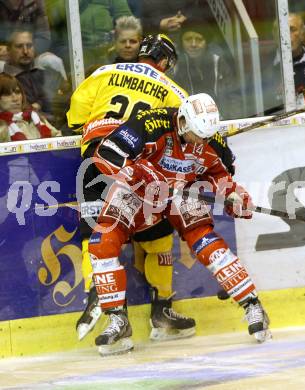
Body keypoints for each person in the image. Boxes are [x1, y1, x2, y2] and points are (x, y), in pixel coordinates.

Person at [85, 92, 271, 356]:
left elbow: (219, 174)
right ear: (183, 121)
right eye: (196, 134)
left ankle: (253, 305)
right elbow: (105, 155)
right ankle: (118, 320)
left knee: (205, 241)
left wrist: (232, 194)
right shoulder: (150, 123)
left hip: (180, 192)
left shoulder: (211, 140)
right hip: (136, 189)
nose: (200, 141)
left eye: (205, 136)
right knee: (102, 243)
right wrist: (138, 173)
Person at [67, 34, 196, 342]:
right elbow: (185, 135)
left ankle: (102, 296)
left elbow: (75, 118)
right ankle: (162, 310)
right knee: (158, 239)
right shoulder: (174, 90)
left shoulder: (103, 73)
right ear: (164, 61)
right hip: (137, 168)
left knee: (97, 235)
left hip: (95, 161)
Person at [173, 19, 242, 119]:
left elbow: (234, 97)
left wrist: (233, 125)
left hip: (220, 121)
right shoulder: (175, 66)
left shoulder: (218, 61)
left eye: (199, 39)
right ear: (181, 42)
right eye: (188, 39)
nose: (193, 44)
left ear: (206, 42)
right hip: (188, 125)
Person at [263, 13, 305, 114]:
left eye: (292, 29)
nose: (285, 34)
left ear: (302, 34)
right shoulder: (262, 65)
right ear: (274, 35)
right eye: (280, 30)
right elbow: (256, 103)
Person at [2, 29, 51, 116]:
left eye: (29, 45)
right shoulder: (4, 81)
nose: (25, 51)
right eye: (19, 46)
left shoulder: (41, 73)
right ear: (8, 50)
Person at [0, 73, 60, 142]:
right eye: (7, 94)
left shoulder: (34, 116)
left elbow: (58, 138)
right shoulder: (2, 127)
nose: (15, 99)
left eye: (17, 92)